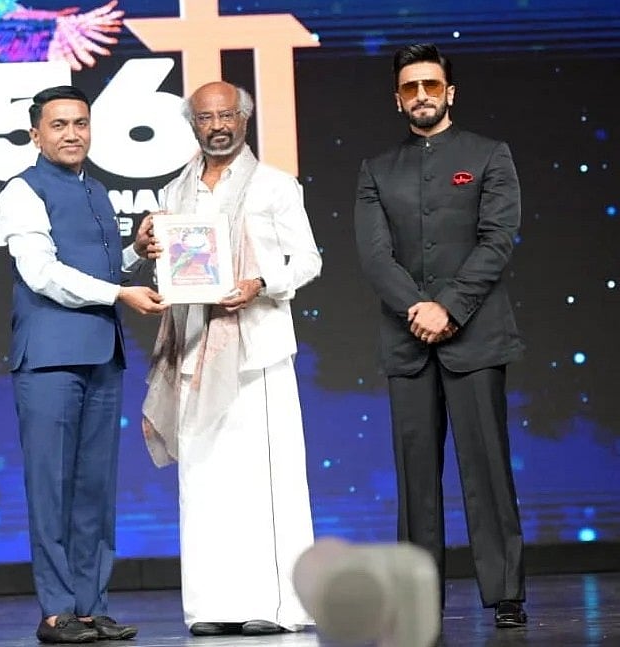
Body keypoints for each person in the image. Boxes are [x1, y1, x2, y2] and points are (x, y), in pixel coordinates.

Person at [139, 81, 322, 637]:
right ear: (192, 125)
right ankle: (212, 606)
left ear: (244, 119)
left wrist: (262, 282)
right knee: (204, 481)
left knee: (264, 480)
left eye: (226, 115)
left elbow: (308, 259)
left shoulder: (274, 185)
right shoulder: (176, 193)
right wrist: (156, 256)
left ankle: (275, 604)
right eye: (204, 118)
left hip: (255, 350)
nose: (216, 125)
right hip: (194, 347)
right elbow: (175, 271)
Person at [353, 43, 527, 628]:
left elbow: (497, 240)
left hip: (476, 338)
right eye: (410, 87)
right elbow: (376, 258)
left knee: (487, 471)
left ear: (449, 92)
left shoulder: (489, 155)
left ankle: (505, 592)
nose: (421, 95)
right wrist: (418, 308)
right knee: (416, 477)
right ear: (396, 97)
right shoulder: (377, 170)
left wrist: (448, 308)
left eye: (431, 84)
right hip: (407, 342)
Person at [0, 85, 166, 644]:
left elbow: (102, 266)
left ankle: (92, 607)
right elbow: (43, 274)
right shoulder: (23, 191)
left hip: (100, 354)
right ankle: (55, 611)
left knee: (95, 488)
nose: (73, 134)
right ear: (35, 135)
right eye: (60, 125)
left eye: (81, 123)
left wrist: (136, 251)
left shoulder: (95, 189)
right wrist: (121, 294)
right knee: (51, 488)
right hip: (48, 359)